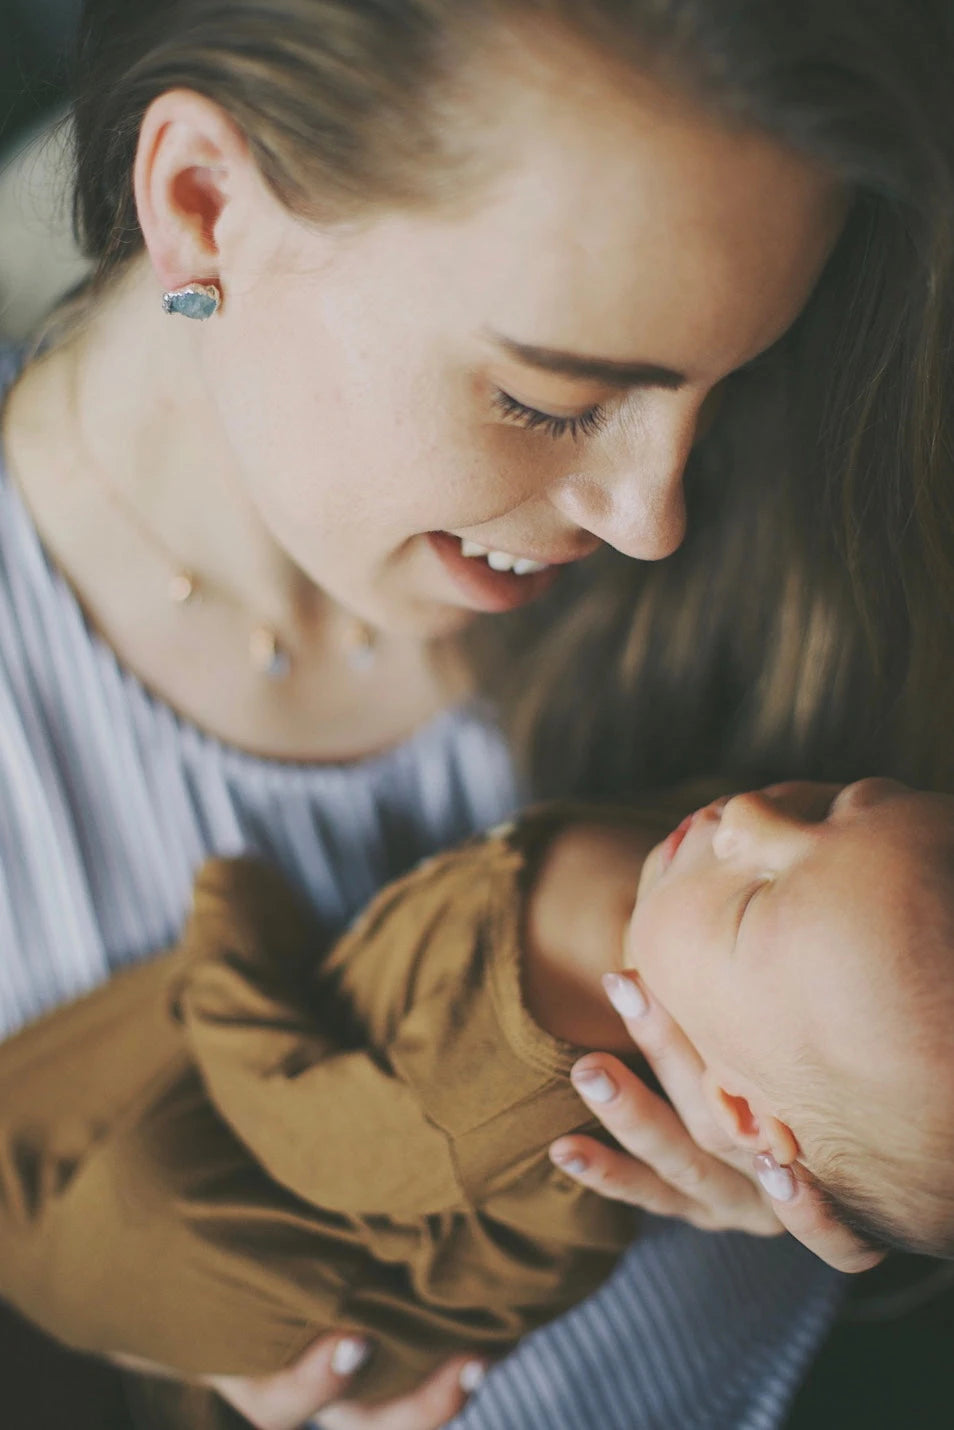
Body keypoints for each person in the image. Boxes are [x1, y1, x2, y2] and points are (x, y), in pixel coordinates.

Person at [0, 1, 952, 1426]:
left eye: (724, 377)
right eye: (550, 398)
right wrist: (157, 1335)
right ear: (202, 207)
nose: (651, 518)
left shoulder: (815, 489)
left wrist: (845, 1214)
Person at [1, 776, 953, 1415]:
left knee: (131, 1207)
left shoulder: (499, 1091)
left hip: (282, 1218)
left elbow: (305, 1128)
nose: (748, 813)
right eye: (837, 800)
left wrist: (231, 937)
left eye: (759, 899)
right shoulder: (702, 918)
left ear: (738, 1113)